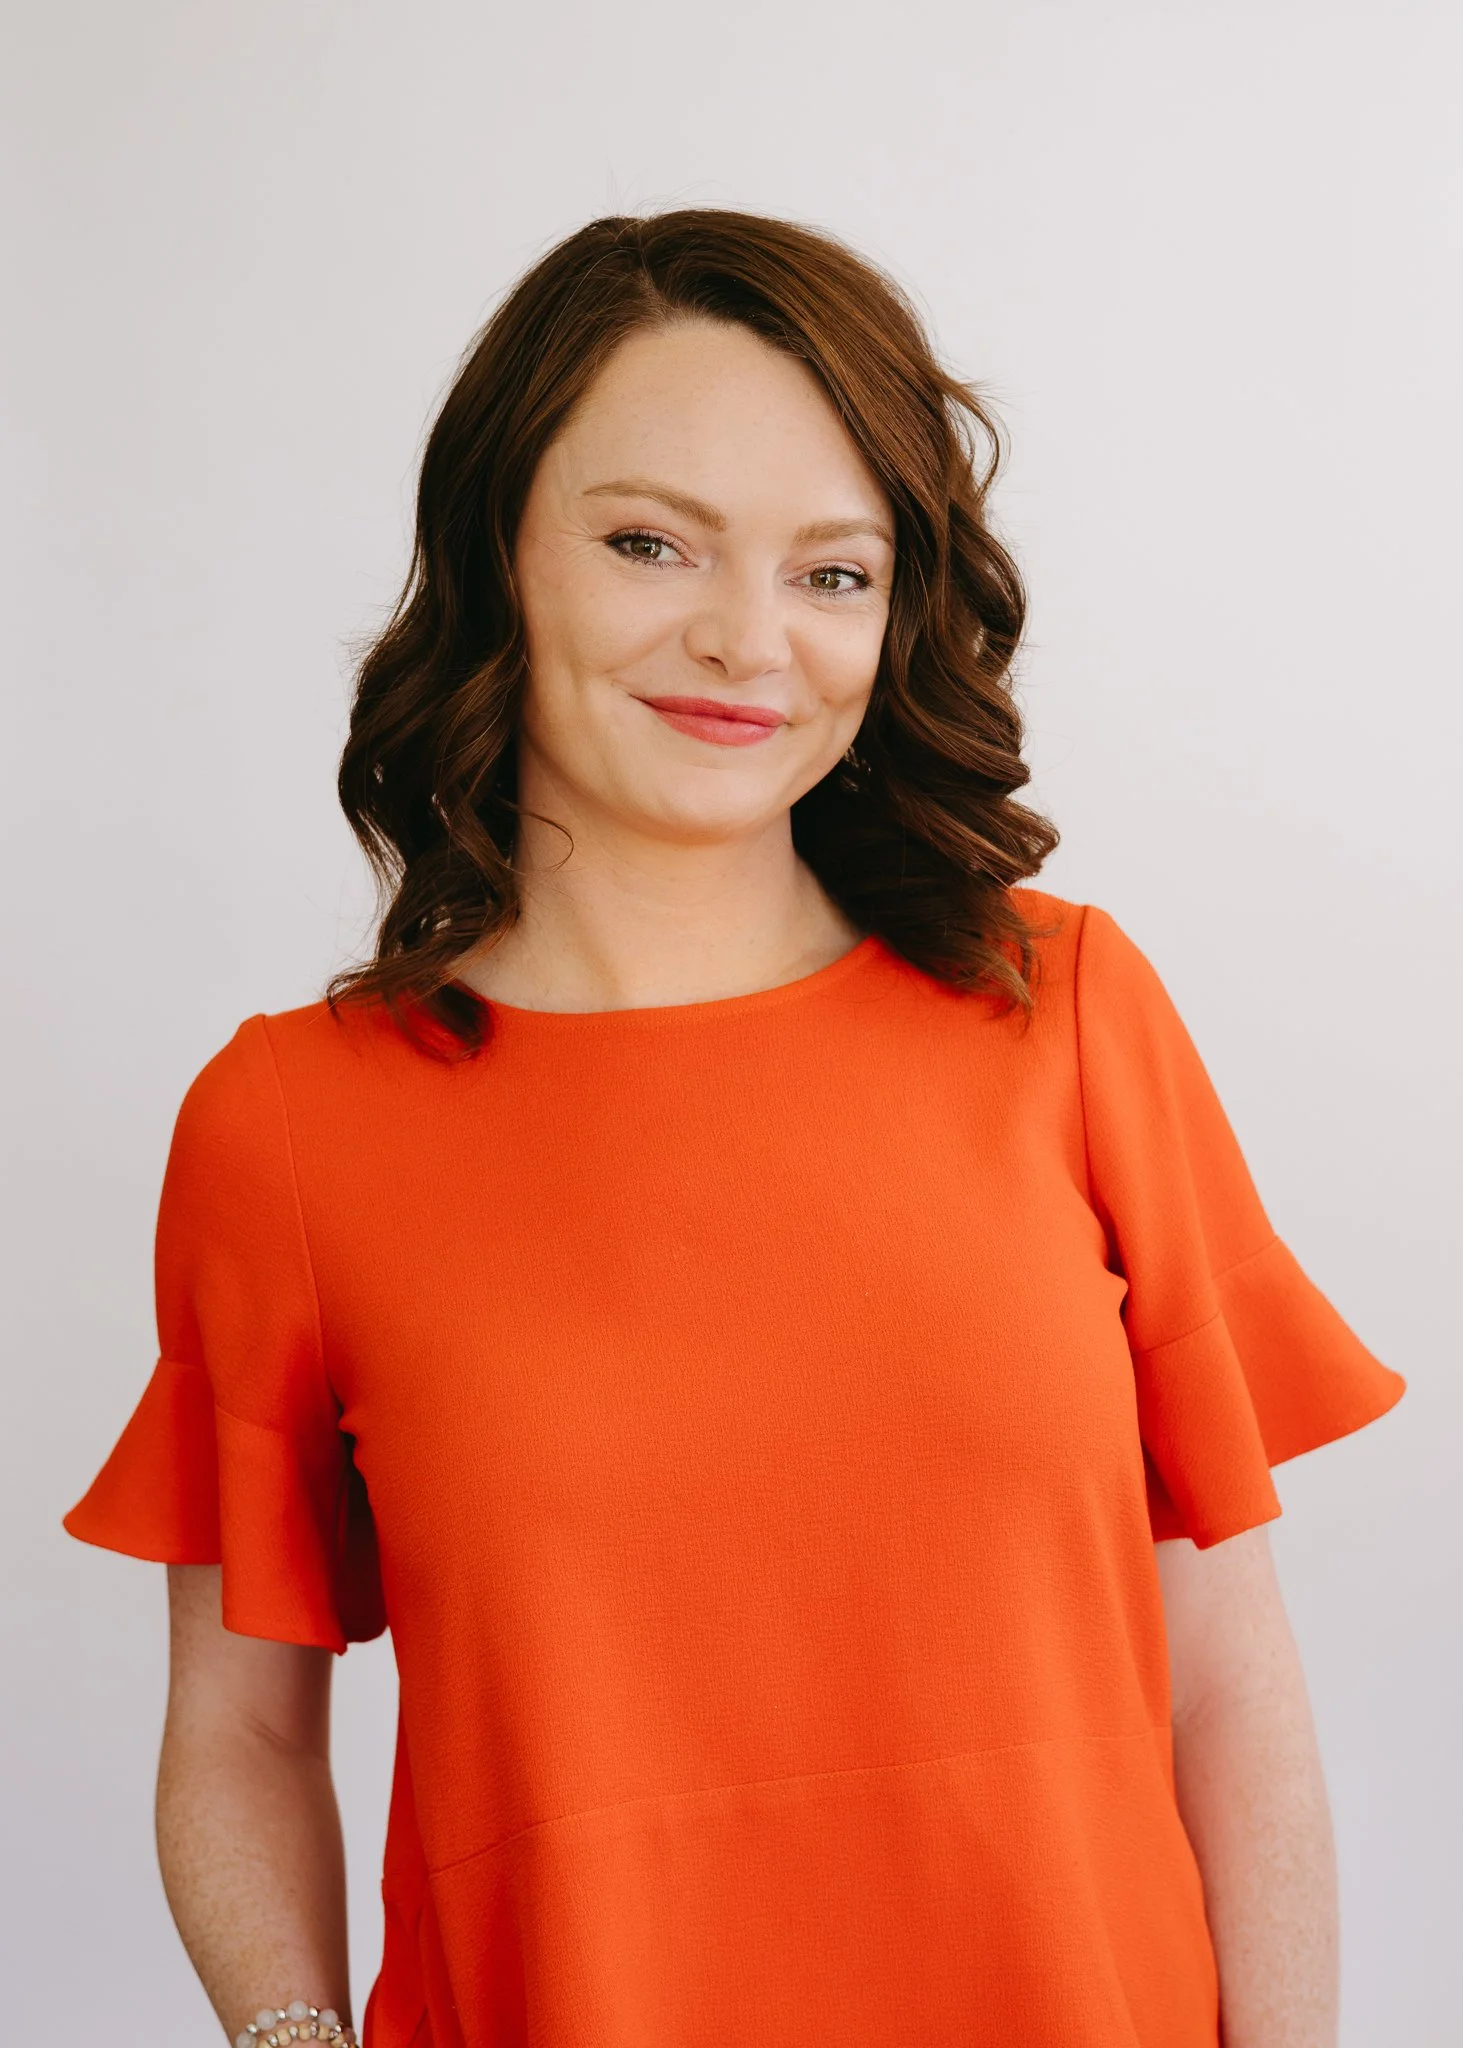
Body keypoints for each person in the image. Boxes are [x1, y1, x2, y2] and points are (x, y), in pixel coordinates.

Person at [64, 210, 1404, 2048]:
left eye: (831, 572)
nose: (744, 639)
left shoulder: (1069, 1015)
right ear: (496, 550)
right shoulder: (288, 1127)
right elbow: (239, 1731)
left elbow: (1228, 1683)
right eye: (648, 543)